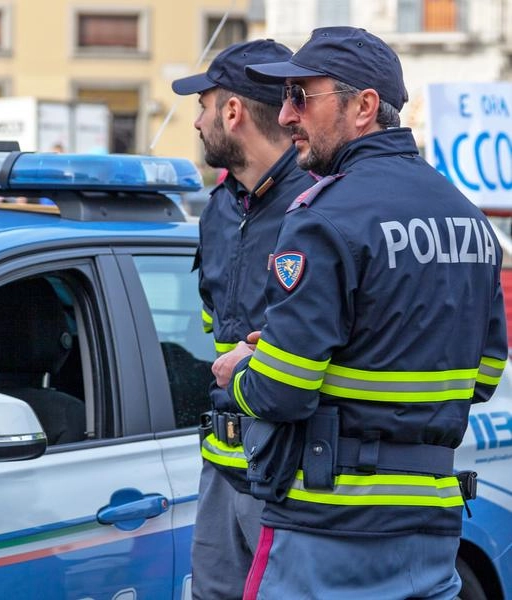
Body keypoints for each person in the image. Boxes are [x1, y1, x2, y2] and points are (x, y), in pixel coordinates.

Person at [211, 26, 508, 599]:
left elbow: (282, 391)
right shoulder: (468, 218)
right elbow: (485, 375)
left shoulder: (323, 217)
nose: (288, 115)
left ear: (364, 107)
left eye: (302, 96)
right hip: (432, 526)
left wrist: (239, 371)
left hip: (329, 529)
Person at [171, 39, 313, 600]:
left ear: (232, 112)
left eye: (203, 107)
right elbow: (217, 325)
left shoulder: (319, 206)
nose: (198, 122)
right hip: (222, 466)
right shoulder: (220, 207)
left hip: (289, 474)